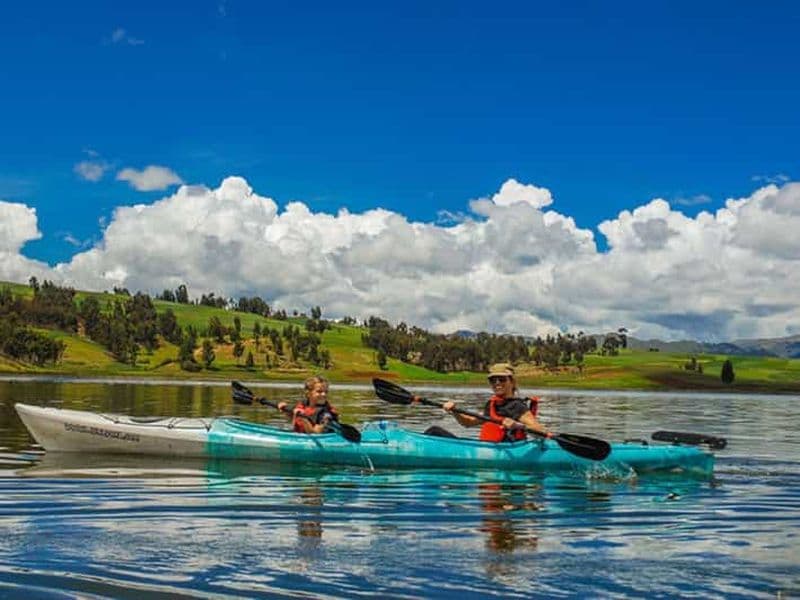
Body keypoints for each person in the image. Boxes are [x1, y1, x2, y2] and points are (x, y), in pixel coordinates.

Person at [442, 363, 550, 442]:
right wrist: (454, 410)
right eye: (493, 380)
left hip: (507, 452)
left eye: (502, 379)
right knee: (435, 431)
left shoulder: (517, 406)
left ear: (512, 382)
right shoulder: (492, 404)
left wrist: (518, 425)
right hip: (488, 449)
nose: (497, 383)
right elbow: (468, 423)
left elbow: (541, 432)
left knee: (433, 432)